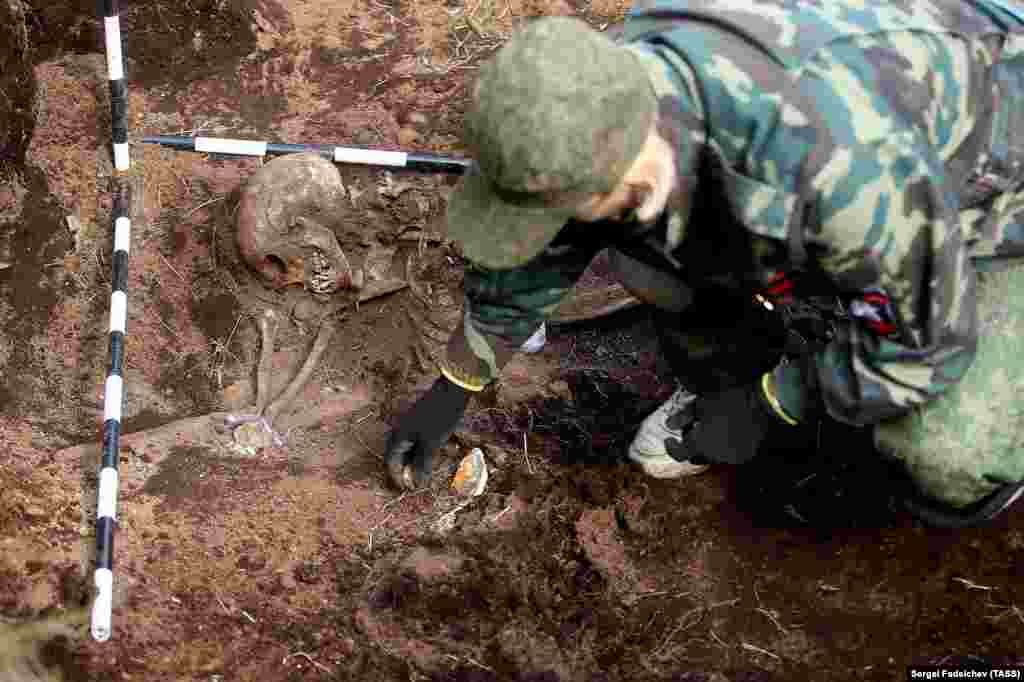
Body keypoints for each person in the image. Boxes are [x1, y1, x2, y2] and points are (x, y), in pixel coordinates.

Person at [385, 0, 1024, 526]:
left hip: (992, 200)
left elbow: (929, 342)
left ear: (623, 168)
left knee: (944, 448)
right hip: (879, 188)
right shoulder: (601, 88)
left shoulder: (837, 164)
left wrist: (773, 402)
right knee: (650, 267)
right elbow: (551, 217)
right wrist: (459, 378)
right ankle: (735, 373)